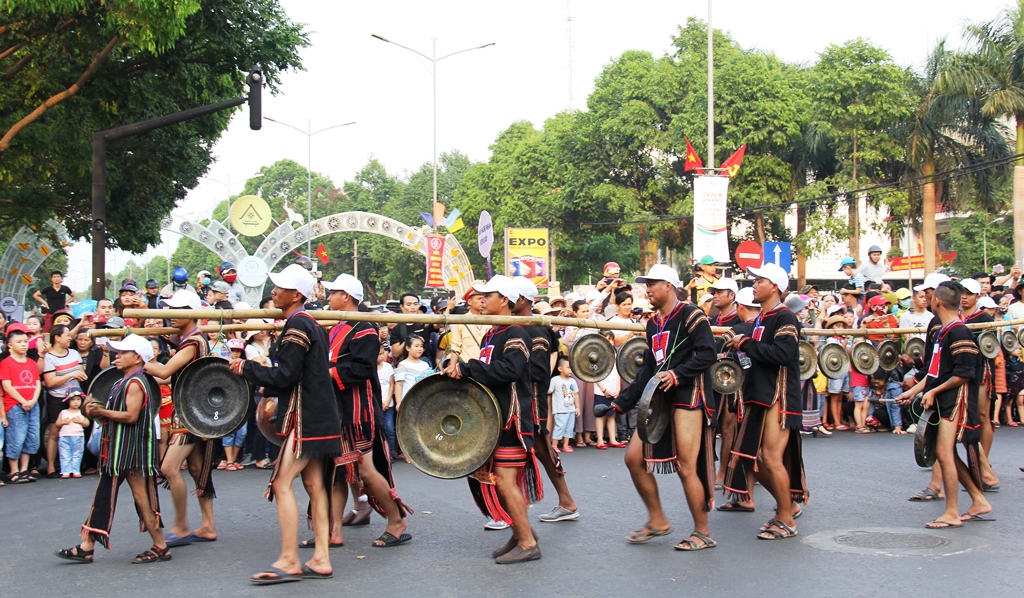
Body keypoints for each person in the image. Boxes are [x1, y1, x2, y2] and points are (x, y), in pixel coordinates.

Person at [231, 264, 341, 584]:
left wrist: (248, 369)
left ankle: (290, 559)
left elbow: (285, 376)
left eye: (279, 288)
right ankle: (320, 558)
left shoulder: (297, 326)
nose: (273, 291)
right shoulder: (308, 324)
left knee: (281, 483)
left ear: (296, 295)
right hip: (317, 414)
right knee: (314, 486)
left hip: (308, 418)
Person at [607, 264, 717, 551]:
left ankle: (703, 532)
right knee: (633, 459)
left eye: (652, 284)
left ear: (668, 285)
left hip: (688, 395)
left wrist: (677, 374)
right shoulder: (653, 323)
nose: (648, 290)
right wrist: (624, 401)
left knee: (686, 467)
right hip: (659, 398)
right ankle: (657, 520)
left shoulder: (693, 315)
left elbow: (708, 353)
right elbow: (650, 368)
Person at [441, 275, 542, 564]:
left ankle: (527, 542)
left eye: (489, 296)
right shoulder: (492, 335)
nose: (482, 300)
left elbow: (510, 369)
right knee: (499, 482)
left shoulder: (515, 333)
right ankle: (519, 533)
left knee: (506, 483)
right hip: (494, 419)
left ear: (506, 301)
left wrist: (468, 369)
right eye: (481, 296)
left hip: (512, 419)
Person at [55, 334, 167, 564]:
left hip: (131, 452)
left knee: (141, 497)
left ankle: (161, 545)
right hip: (116, 450)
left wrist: (101, 412)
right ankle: (87, 545)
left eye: (123, 352)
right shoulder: (121, 381)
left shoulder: (136, 382)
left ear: (137, 358)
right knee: (104, 495)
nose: (117, 356)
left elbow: (130, 416)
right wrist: (93, 409)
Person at [318, 273, 411, 549]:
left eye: (332, 292)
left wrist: (325, 373)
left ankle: (396, 521)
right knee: (336, 471)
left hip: (357, 412)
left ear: (345, 296)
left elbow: (361, 369)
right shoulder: (337, 327)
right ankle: (334, 531)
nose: (328, 297)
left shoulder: (364, 328)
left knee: (366, 470)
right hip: (338, 411)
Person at [723, 262, 808, 540]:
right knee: (752, 459)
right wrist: (737, 348)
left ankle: (786, 518)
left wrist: (746, 344)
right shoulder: (760, 319)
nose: (754, 285)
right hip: (758, 395)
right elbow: (755, 357)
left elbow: (783, 354)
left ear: (774, 287)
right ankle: (788, 505)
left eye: (759, 281)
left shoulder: (785, 318)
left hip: (778, 396)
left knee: (770, 458)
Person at [898, 281, 991, 527]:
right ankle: (978, 499)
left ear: (937, 301)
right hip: (943, 398)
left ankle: (951, 512)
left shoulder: (959, 331)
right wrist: (915, 392)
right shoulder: (943, 331)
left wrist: (934, 391)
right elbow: (935, 372)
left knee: (943, 452)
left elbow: (965, 372)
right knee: (945, 453)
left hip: (955, 399)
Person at [142, 289, 218, 547]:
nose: (172, 315)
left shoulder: (194, 341)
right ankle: (207, 525)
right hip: (192, 413)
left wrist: (139, 359)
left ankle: (181, 526)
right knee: (197, 470)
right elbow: (166, 376)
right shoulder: (192, 339)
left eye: (177, 310)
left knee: (168, 468)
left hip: (189, 415)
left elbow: (164, 370)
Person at [509, 276, 582, 523]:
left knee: (541, 451)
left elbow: (539, 372)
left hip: (531, 402)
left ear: (521, 300)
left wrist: (509, 370)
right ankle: (562, 502)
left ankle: (565, 501)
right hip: (518, 401)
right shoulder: (517, 327)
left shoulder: (535, 330)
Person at [959, 278, 1000, 490]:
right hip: (959, 369)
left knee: (982, 415)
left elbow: (991, 348)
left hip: (980, 368)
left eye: (969, 293)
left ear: (977, 297)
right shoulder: (954, 316)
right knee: (966, 416)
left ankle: (984, 464)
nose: (964, 296)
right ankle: (979, 464)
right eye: (962, 292)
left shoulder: (984, 317)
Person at [42, 324, 87, 477]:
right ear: (57, 337)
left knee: (77, 428)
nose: (70, 337)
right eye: (67, 335)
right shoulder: (49, 357)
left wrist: (79, 374)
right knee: (55, 432)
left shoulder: (74, 353)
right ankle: (50, 467)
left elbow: (81, 372)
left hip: (75, 396)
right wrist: (71, 375)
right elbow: (50, 382)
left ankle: (74, 466)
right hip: (57, 397)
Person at [2, 325, 42, 483]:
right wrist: (23, 401)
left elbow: (38, 383)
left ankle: (24, 469)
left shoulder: (31, 362)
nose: (24, 344)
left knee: (32, 437)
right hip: (14, 405)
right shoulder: (6, 363)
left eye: (25, 341)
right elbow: (7, 386)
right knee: (16, 437)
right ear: (10, 345)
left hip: (33, 404)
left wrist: (32, 400)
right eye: (19, 342)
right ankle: (14, 471)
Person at [549, 357, 580, 454]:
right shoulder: (555, 380)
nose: (571, 370)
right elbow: (549, 391)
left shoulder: (573, 381)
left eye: (571, 368)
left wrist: (577, 407)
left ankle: (566, 445)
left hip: (571, 409)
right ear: (560, 369)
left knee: (569, 428)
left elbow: (575, 394)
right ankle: (554, 445)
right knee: (560, 426)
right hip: (560, 409)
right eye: (568, 368)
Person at [56, 389, 89, 478]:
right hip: (64, 436)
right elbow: (57, 423)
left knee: (77, 454)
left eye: (78, 399)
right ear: (68, 401)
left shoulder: (82, 412)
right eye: (73, 400)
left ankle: (75, 470)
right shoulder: (64, 412)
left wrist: (80, 421)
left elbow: (87, 423)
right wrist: (63, 422)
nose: (76, 402)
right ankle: (66, 471)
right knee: (64, 453)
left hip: (78, 436)